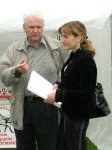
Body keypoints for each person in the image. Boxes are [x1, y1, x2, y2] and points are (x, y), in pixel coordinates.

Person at [0, 11, 68, 150]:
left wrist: (60, 89)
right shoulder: (14, 49)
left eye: (39, 27)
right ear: (24, 28)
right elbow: (1, 74)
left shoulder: (56, 47)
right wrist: (16, 70)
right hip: (22, 106)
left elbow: (68, 73)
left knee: (50, 146)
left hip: (48, 106)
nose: (35, 30)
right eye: (31, 27)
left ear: (43, 27)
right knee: (24, 146)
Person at [45, 21, 97, 150]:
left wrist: (58, 95)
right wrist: (59, 84)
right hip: (68, 113)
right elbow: (73, 81)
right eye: (61, 36)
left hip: (78, 115)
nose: (62, 40)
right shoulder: (74, 56)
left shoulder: (85, 59)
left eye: (65, 36)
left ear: (78, 37)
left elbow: (86, 93)